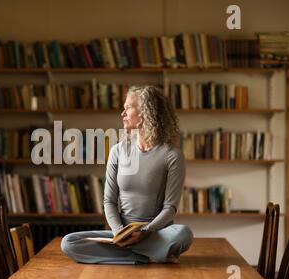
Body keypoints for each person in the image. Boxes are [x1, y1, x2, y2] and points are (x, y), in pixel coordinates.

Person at [61, 85, 193, 264]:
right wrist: (118, 232)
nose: (122, 114)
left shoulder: (172, 155)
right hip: (122, 234)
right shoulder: (118, 151)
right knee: (69, 243)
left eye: (128, 107)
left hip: (155, 233)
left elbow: (170, 208)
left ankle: (141, 252)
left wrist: (144, 232)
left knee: (183, 234)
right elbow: (108, 200)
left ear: (146, 112)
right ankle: (143, 257)